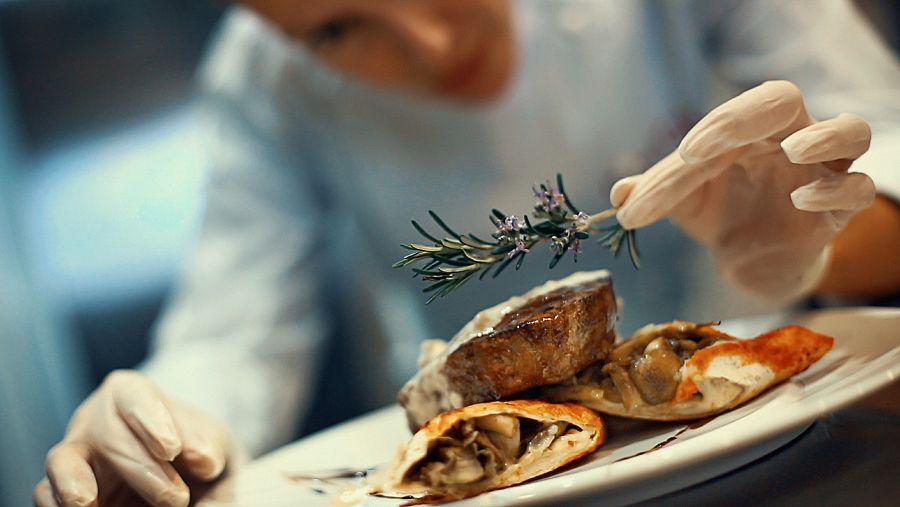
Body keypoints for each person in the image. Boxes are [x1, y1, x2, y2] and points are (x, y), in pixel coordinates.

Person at [34, 1, 900, 506]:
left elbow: (888, 154)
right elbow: (237, 334)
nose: (433, 45)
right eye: (336, 30)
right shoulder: (260, 78)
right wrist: (163, 428)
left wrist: (807, 247)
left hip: (797, 454)